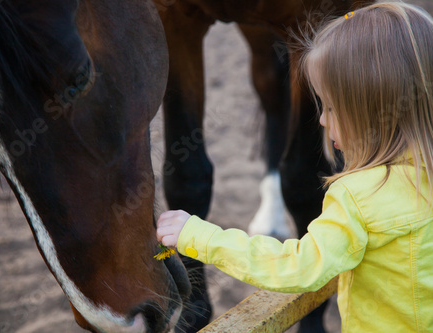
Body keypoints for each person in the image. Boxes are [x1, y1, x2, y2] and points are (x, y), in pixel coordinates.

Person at [156, 2, 433, 332]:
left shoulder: (356, 199)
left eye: (330, 107)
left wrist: (199, 236)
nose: (321, 120)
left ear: (366, 116)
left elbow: (298, 267)